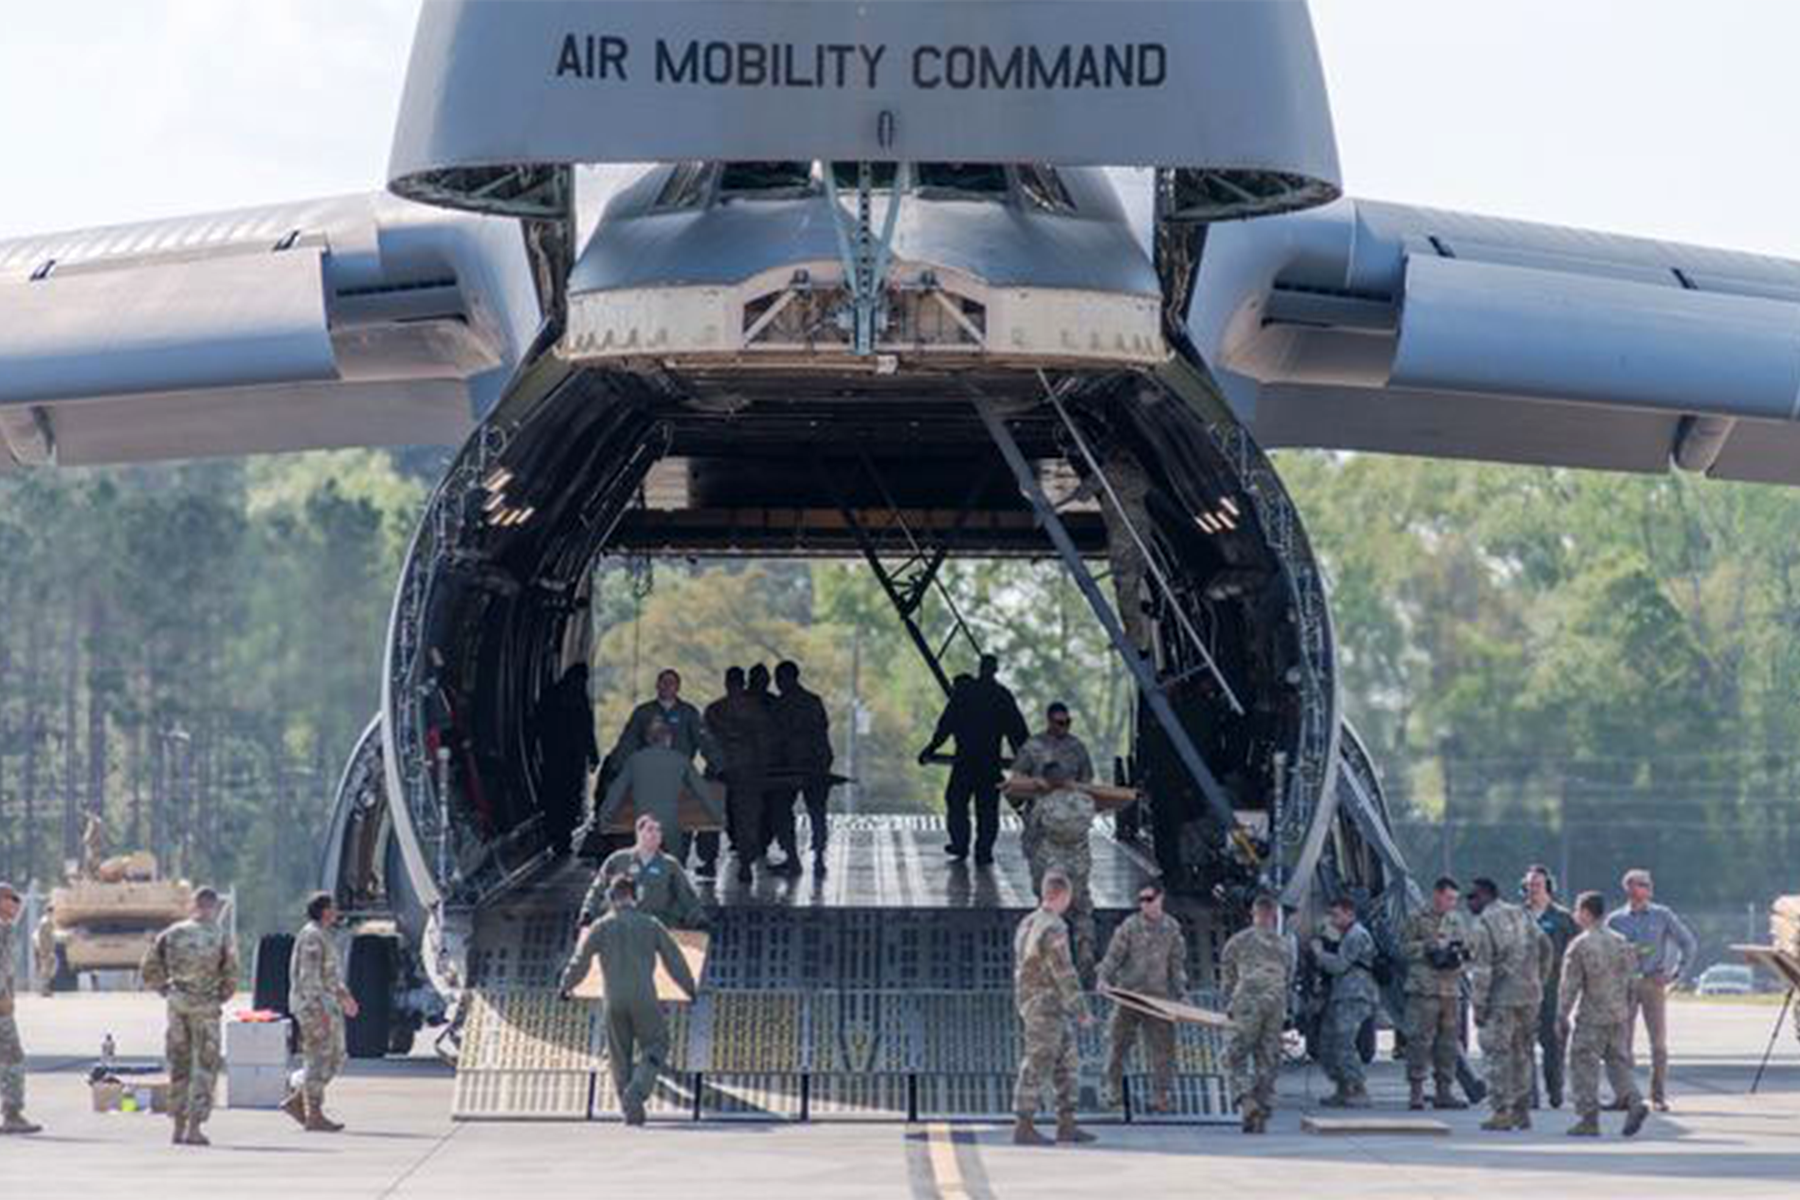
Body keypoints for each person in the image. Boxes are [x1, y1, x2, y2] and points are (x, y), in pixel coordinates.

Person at [559, 874, 698, 1126]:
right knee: (657, 1044)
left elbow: (580, 960)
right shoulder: (650, 924)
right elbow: (674, 960)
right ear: (635, 896)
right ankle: (637, 1091)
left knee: (619, 1055)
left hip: (612, 998)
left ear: (611, 899)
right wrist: (689, 988)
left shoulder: (600, 926)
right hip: (644, 996)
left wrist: (566, 986)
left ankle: (629, 1109)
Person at [140, 886, 238, 1146]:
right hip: (205, 1007)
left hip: (178, 1005)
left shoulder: (172, 933)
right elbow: (231, 974)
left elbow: (148, 967)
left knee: (179, 1065)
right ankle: (194, 1128)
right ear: (214, 907)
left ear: (193, 905)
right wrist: (219, 997)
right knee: (204, 1067)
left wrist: (165, 989)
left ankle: (177, 1126)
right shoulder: (220, 936)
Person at [1012, 869, 1095, 1146]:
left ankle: (1067, 1124)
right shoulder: (1054, 926)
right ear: (1062, 895)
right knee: (1038, 1062)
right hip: (1046, 1005)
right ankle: (1024, 1125)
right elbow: (1064, 971)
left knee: (1067, 1063)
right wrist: (1081, 1009)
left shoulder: (1028, 922)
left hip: (1037, 1002)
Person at [919, 655, 1028, 867]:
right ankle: (983, 850)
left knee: (956, 802)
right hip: (989, 763)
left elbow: (946, 725)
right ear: (995, 670)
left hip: (965, 762)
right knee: (987, 810)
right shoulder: (1001, 696)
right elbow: (1018, 732)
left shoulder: (965, 693)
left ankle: (961, 844)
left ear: (981, 669)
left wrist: (931, 748)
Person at [611, 669, 719, 877]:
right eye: (663, 682)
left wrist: (719, 765)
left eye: (671, 683)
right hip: (649, 778)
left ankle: (677, 866)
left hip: (681, 779)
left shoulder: (688, 712)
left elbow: (705, 742)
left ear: (678, 687)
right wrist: (616, 767)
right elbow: (628, 742)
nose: (667, 687)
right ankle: (652, 866)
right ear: (657, 685)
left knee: (683, 822)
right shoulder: (643, 713)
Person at [1559, 890, 1650, 1138]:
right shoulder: (1621, 941)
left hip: (1591, 1016)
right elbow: (1633, 981)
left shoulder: (1581, 944)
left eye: (1578, 910)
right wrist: (1628, 1011)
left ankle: (1588, 1119)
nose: (1576, 915)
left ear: (1586, 913)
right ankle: (1634, 1101)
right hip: (1618, 1014)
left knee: (1583, 1065)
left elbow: (1570, 986)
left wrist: (1562, 1015)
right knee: (1618, 1064)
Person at [1606, 868, 1697, 1112]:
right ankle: (1626, 1095)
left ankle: (1658, 1096)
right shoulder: (1615, 920)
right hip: (1624, 985)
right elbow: (1605, 952)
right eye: (1640, 884)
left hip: (1652, 984)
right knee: (1622, 1043)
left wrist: (1675, 973)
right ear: (1628, 888)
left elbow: (1688, 943)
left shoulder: (1662, 915)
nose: (1646, 888)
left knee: (1658, 1043)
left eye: (1647, 884)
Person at [1467, 877, 1554, 1131]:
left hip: (1501, 999)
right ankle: (1522, 1111)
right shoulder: (1521, 914)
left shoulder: (1483, 923)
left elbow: (1482, 971)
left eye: (1472, 897)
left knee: (1497, 1054)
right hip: (1529, 997)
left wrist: (1479, 1007)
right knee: (1522, 1053)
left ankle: (1501, 1111)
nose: (1469, 902)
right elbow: (1546, 946)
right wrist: (1540, 979)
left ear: (1484, 895)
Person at [1098, 881, 1189, 1114]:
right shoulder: (1130, 926)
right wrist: (1104, 979)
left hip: (1158, 998)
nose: (1144, 904)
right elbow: (1113, 956)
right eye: (1141, 900)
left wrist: (1181, 994)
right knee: (1117, 1043)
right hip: (1129, 995)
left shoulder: (1172, 928)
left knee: (1163, 1048)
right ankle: (1113, 1092)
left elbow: (1176, 965)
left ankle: (1161, 1096)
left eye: (1148, 899)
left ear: (1160, 899)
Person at [283, 892, 360, 1132]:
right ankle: (313, 1113)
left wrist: (344, 996)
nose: (336, 911)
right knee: (317, 1058)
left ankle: (297, 1101)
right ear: (324, 911)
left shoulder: (323, 936)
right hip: (314, 1007)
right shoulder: (311, 936)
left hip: (327, 1004)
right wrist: (318, 1012)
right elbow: (309, 978)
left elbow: (329, 975)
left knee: (336, 1056)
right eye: (333, 907)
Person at [596, 720, 718, 866]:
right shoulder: (681, 760)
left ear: (647, 739)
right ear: (669, 739)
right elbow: (702, 791)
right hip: (671, 826)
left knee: (642, 866)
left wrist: (604, 819)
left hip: (643, 824)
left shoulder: (635, 761)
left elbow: (615, 793)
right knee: (675, 867)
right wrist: (717, 817)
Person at [1219, 892, 1292, 1133]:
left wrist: (1229, 1003)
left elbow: (1228, 977)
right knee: (1267, 1059)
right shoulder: (1284, 945)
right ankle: (1261, 1108)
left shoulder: (1238, 941)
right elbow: (1288, 977)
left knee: (1232, 1056)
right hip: (1276, 1004)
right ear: (1273, 916)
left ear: (1254, 914)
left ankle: (1246, 1101)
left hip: (1247, 1003)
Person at [1400, 877, 1473, 1111]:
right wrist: (1428, 947)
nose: (1452, 903)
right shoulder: (1416, 918)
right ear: (1437, 894)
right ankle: (1416, 1091)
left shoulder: (1456, 920)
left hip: (1450, 990)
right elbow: (1402, 948)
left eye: (1455, 899)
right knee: (1419, 1041)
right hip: (1424, 989)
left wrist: (1458, 953)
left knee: (1448, 1044)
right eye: (1449, 898)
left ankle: (1444, 1091)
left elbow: (1467, 947)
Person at [704, 667, 780, 882]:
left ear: (727, 682)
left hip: (720, 771)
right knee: (747, 819)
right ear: (744, 682)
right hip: (748, 770)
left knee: (711, 820)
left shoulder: (715, 709)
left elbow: (706, 742)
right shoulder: (757, 711)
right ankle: (745, 865)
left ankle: (709, 862)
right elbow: (766, 743)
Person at [1027, 762, 1097, 977]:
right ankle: (1085, 953)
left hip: (1052, 863)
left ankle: (1052, 962)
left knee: (1050, 910)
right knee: (1082, 909)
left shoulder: (1044, 804)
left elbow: (1032, 833)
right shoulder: (1086, 801)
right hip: (1080, 864)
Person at [580, 815, 707, 932]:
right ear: (638, 833)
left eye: (658, 830)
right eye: (650, 830)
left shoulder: (670, 865)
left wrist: (698, 919)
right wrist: (588, 912)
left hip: (659, 926)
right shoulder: (618, 860)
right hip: (624, 925)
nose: (655, 834)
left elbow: (687, 896)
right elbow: (597, 889)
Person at [1311, 897, 1379, 1108]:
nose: (1333, 919)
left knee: (1344, 1042)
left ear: (1350, 914)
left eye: (1337, 915)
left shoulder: (1357, 935)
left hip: (1355, 995)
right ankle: (1342, 1087)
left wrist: (1319, 953)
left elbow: (1340, 965)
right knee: (1328, 1043)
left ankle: (1358, 1087)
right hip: (1342, 995)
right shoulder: (1347, 935)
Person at [769, 661, 835, 875]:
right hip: (815, 765)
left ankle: (793, 858)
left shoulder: (780, 705)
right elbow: (822, 731)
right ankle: (818, 859)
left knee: (782, 810)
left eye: (778, 678)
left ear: (784, 678)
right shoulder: (813, 701)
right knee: (817, 812)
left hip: (788, 767)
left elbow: (775, 738)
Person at [1012, 703, 1095, 872]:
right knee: (1040, 872)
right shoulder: (1033, 747)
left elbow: (1087, 778)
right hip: (1040, 816)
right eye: (1059, 723)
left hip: (1070, 817)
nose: (1064, 727)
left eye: (1067, 722)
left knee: (1071, 873)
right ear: (1049, 721)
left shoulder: (1077, 747)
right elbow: (1018, 776)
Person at [1523, 864, 1579, 1109]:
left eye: (1538, 884)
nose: (1533, 889)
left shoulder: (1562, 918)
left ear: (1548, 887)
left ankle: (1555, 1091)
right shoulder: (1516, 915)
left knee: (1552, 1044)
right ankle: (1528, 1095)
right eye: (1529, 885)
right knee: (1522, 1044)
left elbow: (1577, 952)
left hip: (1552, 990)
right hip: (1521, 991)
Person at [535, 663, 599, 854]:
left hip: (553, 756)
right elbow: (587, 729)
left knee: (556, 798)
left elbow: (538, 724)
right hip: (572, 758)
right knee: (569, 797)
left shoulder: (551, 694)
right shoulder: (579, 698)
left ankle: (557, 837)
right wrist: (593, 755)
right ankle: (563, 838)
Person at [0, 882, 43, 1135]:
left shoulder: (6, 928)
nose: (17, 905)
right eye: (12, 899)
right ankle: (12, 1114)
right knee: (13, 1058)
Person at [32, 906, 56, 998]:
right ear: (49, 912)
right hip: (45, 950)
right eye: (52, 912)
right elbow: (42, 938)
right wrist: (45, 951)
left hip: (46, 949)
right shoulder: (45, 922)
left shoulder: (46, 921)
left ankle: (45, 989)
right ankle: (44, 990)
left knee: (47, 969)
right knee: (45, 970)